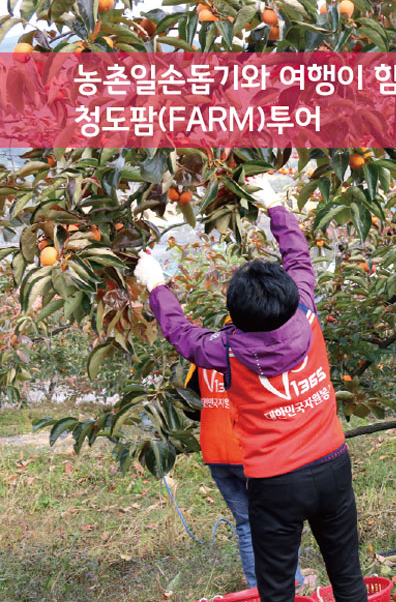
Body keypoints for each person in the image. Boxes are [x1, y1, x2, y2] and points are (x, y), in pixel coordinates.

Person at [135, 181, 368, 602]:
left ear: (234, 316)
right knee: (347, 576)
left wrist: (156, 285)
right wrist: (276, 205)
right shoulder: (307, 314)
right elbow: (298, 257)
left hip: (275, 481)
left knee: (276, 589)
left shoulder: (226, 351)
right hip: (332, 462)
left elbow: (182, 334)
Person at [182, 361, 310, 593]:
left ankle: (258, 590)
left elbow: (189, 406)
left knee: (246, 524)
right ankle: (292, 584)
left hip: (216, 449)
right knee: (282, 519)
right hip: (251, 449)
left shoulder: (202, 351)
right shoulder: (251, 348)